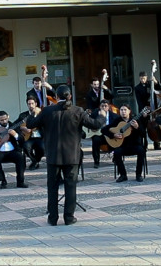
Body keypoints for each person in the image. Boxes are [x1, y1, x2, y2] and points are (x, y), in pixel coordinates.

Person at [26, 85, 106, 226]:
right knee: (70, 187)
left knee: (52, 188)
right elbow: (95, 125)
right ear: (70, 96)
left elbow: (31, 123)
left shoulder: (47, 111)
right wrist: (102, 115)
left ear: (56, 97)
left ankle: (53, 218)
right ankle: (69, 218)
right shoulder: (78, 111)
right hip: (71, 156)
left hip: (53, 156)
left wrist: (35, 112)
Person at [104, 104, 146, 183]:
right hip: (122, 146)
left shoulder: (135, 120)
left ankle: (138, 174)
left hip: (135, 145)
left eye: (125, 110)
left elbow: (143, 133)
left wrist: (137, 127)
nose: (123, 112)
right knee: (116, 153)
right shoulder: (117, 120)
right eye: (121, 110)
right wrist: (113, 135)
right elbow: (104, 130)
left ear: (129, 111)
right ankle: (123, 175)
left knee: (141, 151)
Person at [134, 71, 161, 150]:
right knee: (143, 127)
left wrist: (155, 81)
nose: (142, 80)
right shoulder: (137, 88)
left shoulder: (151, 84)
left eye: (144, 78)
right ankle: (144, 145)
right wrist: (143, 111)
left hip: (154, 108)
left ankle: (156, 143)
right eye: (141, 78)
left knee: (155, 126)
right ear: (139, 78)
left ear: (146, 77)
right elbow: (139, 101)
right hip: (144, 109)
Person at [17, 97, 46, 170]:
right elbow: (16, 125)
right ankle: (34, 161)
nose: (31, 105)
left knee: (42, 148)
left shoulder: (42, 114)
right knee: (26, 147)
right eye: (29, 104)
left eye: (32, 103)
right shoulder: (23, 115)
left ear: (36, 104)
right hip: (29, 138)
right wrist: (22, 128)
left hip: (40, 137)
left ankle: (35, 161)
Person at [89, 100, 119, 168]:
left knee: (117, 139)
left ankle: (116, 159)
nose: (104, 107)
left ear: (108, 107)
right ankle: (96, 161)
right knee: (95, 140)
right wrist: (93, 127)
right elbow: (89, 122)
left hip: (110, 134)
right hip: (100, 135)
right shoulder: (95, 114)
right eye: (102, 106)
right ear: (100, 107)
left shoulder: (114, 116)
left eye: (105, 106)